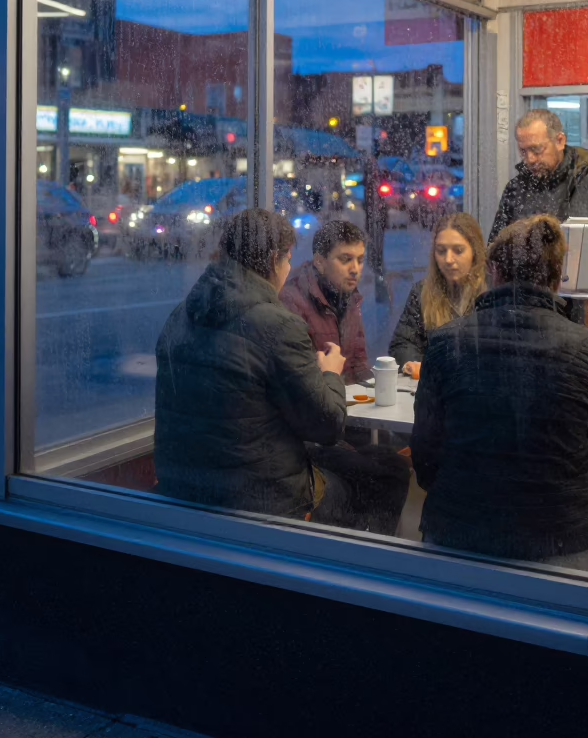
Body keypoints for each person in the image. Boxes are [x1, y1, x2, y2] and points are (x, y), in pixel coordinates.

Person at [155, 209, 408, 534]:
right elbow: (327, 426)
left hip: (184, 484)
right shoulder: (277, 323)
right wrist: (329, 373)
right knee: (387, 474)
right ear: (275, 259)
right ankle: (352, 571)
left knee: (370, 463)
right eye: (288, 259)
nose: (289, 268)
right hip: (259, 499)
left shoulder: (181, 315)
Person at [411, 214, 588, 568]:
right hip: (563, 538)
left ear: (493, 271)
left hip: (458, 530)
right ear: (557, 277)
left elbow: (425, 453)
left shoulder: (444, 343)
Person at [389, 213, 486, 377]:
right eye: (441, 251)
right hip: (434, 388)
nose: (448, 259)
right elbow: (402, 344)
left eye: (458, 250)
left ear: (474, 252)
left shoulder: (491, 293)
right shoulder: (421, 292)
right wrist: (413, 364)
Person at [280, 219, 371, 384]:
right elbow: (300, 379)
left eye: (360, 260)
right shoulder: (292, 300)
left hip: (343, 400)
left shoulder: (348, 296)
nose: (355, 269)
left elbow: (359, 363)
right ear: (320, 262)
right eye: (345, 259)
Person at [490, 107, 588, 242]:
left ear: (559, 141)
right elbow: (496, 250)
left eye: (536, 149)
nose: (530, 159)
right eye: (523, 151)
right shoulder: (515, 188)